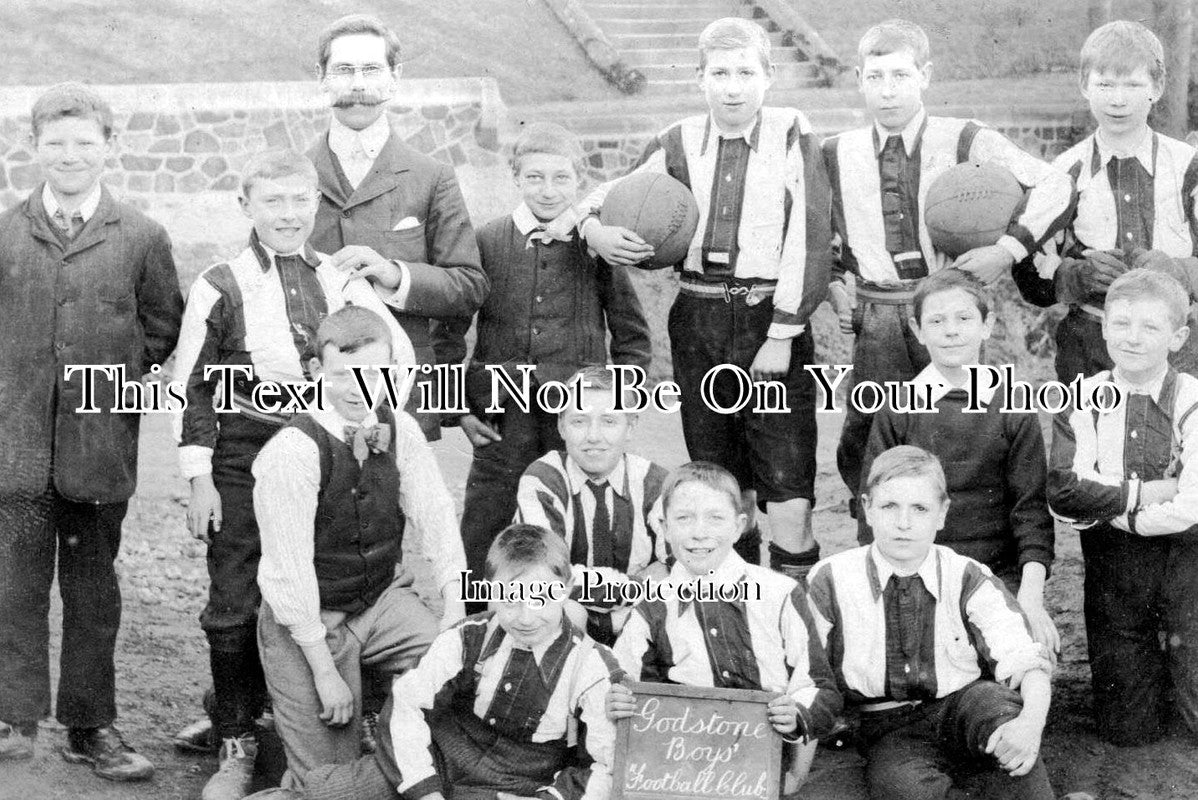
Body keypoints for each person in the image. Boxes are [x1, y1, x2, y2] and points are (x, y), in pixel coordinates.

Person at [549, 17, 833, 579]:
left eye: (746, 73)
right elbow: (605, 196)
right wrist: (593, 228)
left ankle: (791, 612)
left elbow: (809, 233)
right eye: (719, 73)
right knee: (720, 481)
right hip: (698, 314)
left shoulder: (790, 130)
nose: (732, 86)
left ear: (769, 76)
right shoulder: (678, 139)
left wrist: (783, 332)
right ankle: (735, 611)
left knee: (788, 482)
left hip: (767, 318)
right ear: (699, 78)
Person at [172, 149, 417, 800]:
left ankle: (309, 728)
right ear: (246, 206)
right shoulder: (219, 283)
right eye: (272, 201)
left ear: (316, 205)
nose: (287, 214)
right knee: (234, 601)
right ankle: (236, 739)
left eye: (298, 201)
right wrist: (199, 478)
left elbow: (397, 356)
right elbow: (192, 386)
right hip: (243, 452)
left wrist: (369, 422)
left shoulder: (341, 277)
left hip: (326, 452)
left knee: (322, 589)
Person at [0, 82, 183, 780]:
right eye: (56, 142)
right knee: (12, 586)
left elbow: (162, 329)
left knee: (92, 594)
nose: (70, 155)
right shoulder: (6, 232)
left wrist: (116, 391)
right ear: (34, 147)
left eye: (84, 142)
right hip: (16, 454)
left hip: (99, 454)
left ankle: (89, 725)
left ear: (109, 148)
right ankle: (11, 715)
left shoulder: (141, 236)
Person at [824, 19, 1075, 510]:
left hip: (950, 306)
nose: (888, 91)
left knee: (964, 430)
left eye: (900, 76)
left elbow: (1057, 185)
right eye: (875, 77)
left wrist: (1008, 249)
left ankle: (971, 549)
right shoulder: (835, 151)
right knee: (870, 435)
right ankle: (878, 550)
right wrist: (833, 281)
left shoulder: (965, 137)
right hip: (876, 313)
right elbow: (810, 230)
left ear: (926, 75)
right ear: (858, 79)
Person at [244, 524, 621, 800]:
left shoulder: (591, 666)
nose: (525, 616)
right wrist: (424, 791)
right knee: (329, 795)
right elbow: (409, 702)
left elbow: (604, 765)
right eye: (510, 600)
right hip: (435, 758)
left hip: (515, 784)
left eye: (541, 599)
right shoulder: (467, 636)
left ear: (567, 590)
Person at [438, 123, 651, 612]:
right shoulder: (487, 241)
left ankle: (576, 621)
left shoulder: (596, 246)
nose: (548, 190)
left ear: (579, 181)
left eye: (561, 178)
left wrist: (615, 405)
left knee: (572, 515)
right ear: (515, 177)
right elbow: (448, 332)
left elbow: (633, 337)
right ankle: (477, 623)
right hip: (499, 417)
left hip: (572, 418)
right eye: (535, 178)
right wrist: (459, 410)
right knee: (488, 519)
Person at [252, 305, 465, 794]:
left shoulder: (401, 429)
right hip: (307, 621)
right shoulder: (293, 450)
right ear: (315, 371)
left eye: (375, 374)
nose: (359, 389)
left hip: (381, 601)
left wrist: (455, 608)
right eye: (344, 375)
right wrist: (325, 673)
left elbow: (436, 519)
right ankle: (280, 769)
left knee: (455, 672)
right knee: (330, 785)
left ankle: (394, 751)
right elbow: (289, 575)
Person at [807, 446, 1059, 800]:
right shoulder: (831, 579)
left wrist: (1030, 725)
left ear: (942, 513)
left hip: (963, 707)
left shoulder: (966, 575)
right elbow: (804, 674)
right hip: (888, 726)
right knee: (900, 786)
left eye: (920, 509)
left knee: (1004, 719)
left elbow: (1026, 659)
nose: (904, 523)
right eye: (889, 507)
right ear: (866, 509)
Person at [607, 462, 842, 792]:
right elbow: (625, 679)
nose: (699, 532)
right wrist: (619, 700)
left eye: (715, 518)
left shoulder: (780, 594)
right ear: (664, 527)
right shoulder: (652, 607)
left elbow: (819, 684)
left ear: (739, 526)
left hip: (769, 760)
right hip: (683, 763)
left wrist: (797, 714)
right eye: (684, 518)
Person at [306, 13, 488, 440]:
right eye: (343, 70)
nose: (357, 85)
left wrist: (394, 274)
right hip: (314, 392)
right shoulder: (292, 177)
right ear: (321, 77)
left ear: (394, 77)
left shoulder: (431, 176)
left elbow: (469, 285)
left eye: (371, 69)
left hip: (400, 398)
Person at [857, 270, 1058, 656]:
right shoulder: (898, 406)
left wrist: (1029, 601)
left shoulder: (1012, 405)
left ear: (987, 326)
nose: (951, 331)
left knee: (1025, 663)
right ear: (917, 330)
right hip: (914, 571)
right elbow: (875, 517)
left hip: (997, 573)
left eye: (964, 318)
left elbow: (1031, 512)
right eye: (936, 320)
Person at [1047, 268, 1198, 746]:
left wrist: (1115, 505)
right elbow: (1066, 492)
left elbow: (1192, 503)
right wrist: (1147, 495)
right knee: (1127, 730)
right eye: (1123, 324)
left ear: (1178, 337)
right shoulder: (1082, 398)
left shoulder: (1191, 397)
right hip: (1114, 566)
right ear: (1104, 328)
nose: (1134, 339)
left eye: (1151, 328)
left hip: (1187, 561)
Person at [1013, 20, 1198, 380]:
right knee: (1085, 434)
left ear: (1157, 88)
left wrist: (1180, 273)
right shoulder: (1063, 172)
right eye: (1105, 84)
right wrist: (1075, 276)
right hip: (1090, 346)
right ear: (1085, 85)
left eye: (1133, 85)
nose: (1118, 99)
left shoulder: (1189, 167)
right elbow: (1029, 271)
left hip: (1178, 350)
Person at [515, 366, 667, 644]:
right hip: (565, 615)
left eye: (609, 422)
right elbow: (547, 575)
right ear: (561, 426)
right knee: (564, 613)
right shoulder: (544, 479)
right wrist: (636, 586)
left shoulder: (653, 481)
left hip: (633, 622)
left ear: (630, 426)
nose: (593, 436)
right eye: (579, 422)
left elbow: (680, 569)